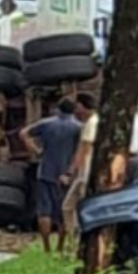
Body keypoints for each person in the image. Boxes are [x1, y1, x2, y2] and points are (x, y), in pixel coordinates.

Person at [20, 99, 82, 254]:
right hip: (67, 175)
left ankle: (47, 247)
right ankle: (60, 247)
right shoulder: (78, 127)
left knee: (44, 211)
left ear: (57, 109)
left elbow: (23, 133)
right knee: (64, 212)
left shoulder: (46, 124)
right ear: (73, 110)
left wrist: (35, 150)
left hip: (45, 172)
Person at [61, 93, 99, 241]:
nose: (76, 110)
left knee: (78, 206)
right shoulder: (90, 122)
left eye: (77, 106)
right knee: (68, 207)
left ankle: (79, 239)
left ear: (83, 106)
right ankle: (74, 240)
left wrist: (71, 172)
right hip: (83, 171)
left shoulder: (91, 123)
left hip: (86, 171)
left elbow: (84, 149)